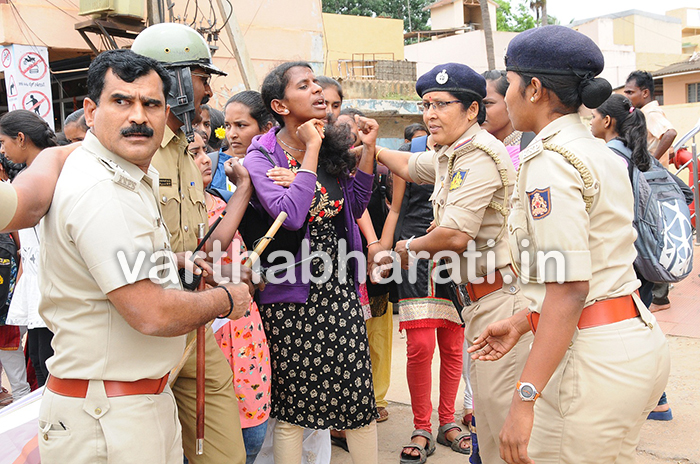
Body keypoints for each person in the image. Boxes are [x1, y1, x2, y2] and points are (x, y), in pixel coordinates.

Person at [37, 48, 252, 464]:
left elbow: (111, 262)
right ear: (90, 111)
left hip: (132, 404)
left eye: (151, 104)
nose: (138, 116)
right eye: (121, 101)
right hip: (108, 416)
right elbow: (151, 313)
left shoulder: (127, 175)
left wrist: (173, 261)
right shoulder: (103, 190)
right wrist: (227, 299)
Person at [469, 25, 670, 464]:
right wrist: (523, 321)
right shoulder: (595, 148)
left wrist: (524, 398)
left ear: (534, 89)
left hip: (591, 361)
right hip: (631, 339)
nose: (506, 96)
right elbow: (594, 264)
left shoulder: (551, 162)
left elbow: (571, 288)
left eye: (510, 84)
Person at [375, 62, 529, 464]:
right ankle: (430, 425)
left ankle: (445, 424)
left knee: (499, 426)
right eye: (426, 105)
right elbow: (410, 166)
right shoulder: (453, 154)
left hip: (498, 295)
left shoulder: (477, 156)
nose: (430, 114)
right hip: (478, 295)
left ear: (472, 109)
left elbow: (454, 236)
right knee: (488, 418)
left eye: (442, 104)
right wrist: (371, 147)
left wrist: (405, 248)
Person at [245, 61, 379, 464]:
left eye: (316, 82)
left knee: (358, 402)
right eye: (304, 85)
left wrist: (368, 151)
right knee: (295, 410)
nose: (318, 90)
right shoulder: (262, 154)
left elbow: (355, 204)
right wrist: (311, 154)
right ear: (280, 105)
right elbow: (292, 214)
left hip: (339, 291)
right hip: (290, 298)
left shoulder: (333, 144)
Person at [131, 22, 247, 464]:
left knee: (223, 451)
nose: (208, 93)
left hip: (193, 318)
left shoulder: (183, 147)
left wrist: (219, 271)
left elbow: (197, 245)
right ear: (175, 78)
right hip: (145, 324)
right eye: (201, 78)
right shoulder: (135, 149)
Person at [590, 93, 681, 422]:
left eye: (593, 116)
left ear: (607, 121)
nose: (590, 122)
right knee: (640, 327)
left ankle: (650, 401)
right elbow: (683, 192)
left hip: (624, 258)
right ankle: (658, 401)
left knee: (623, 332)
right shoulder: (640, 155)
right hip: (646, 255)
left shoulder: (610, 157)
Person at [186, 130, 272, 464]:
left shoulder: (222, 201)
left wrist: (252, 272)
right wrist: (245, 186)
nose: (205, 159)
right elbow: (209, 252)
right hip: (209, 333)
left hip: (245, 332)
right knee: (210, 438)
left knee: (253, 435)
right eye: (193, 154)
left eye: (204, 150)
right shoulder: (179, 215)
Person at [0, 110, 58, 387]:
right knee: (36, 359)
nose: (2, 150)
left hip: (55, 286)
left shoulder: (48, 177)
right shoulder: (26, 176)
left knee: (48, 363)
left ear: (21, 138)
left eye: (3, 142)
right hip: (37, 284)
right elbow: (26, 248)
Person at [623, 70, 677, 314]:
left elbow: (670, 133)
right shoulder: (643, 114)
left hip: (651, 182)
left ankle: (659, 296)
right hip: (650, 181)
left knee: (653, 236)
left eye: (630, 92)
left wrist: (650, 160)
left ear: (644, 93)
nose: (627, 96)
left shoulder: (650, 113)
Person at [208, 91, 277, 195]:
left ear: (266, 128)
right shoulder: (212, 166)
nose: (232, 134)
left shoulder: (279, 163)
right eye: (228, 126)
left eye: (241, 125)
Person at [482, 70, 525, 170]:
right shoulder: (472, 148)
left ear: (509, 101)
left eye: (487, 103)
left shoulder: (528, 147)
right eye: (474, 106)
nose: (478, 111)